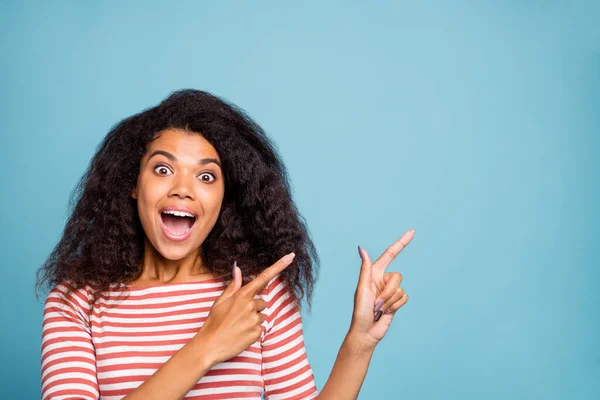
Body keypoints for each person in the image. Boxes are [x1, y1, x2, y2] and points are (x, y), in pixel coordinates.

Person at [36, 89, 414, 400]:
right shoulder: (77, 303)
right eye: (163, 169)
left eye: (205, 175)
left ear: (224, 198)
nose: (182, 189)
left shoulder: (258, 295)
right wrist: (207, 346)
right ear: (133, 184)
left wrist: (360, 341)